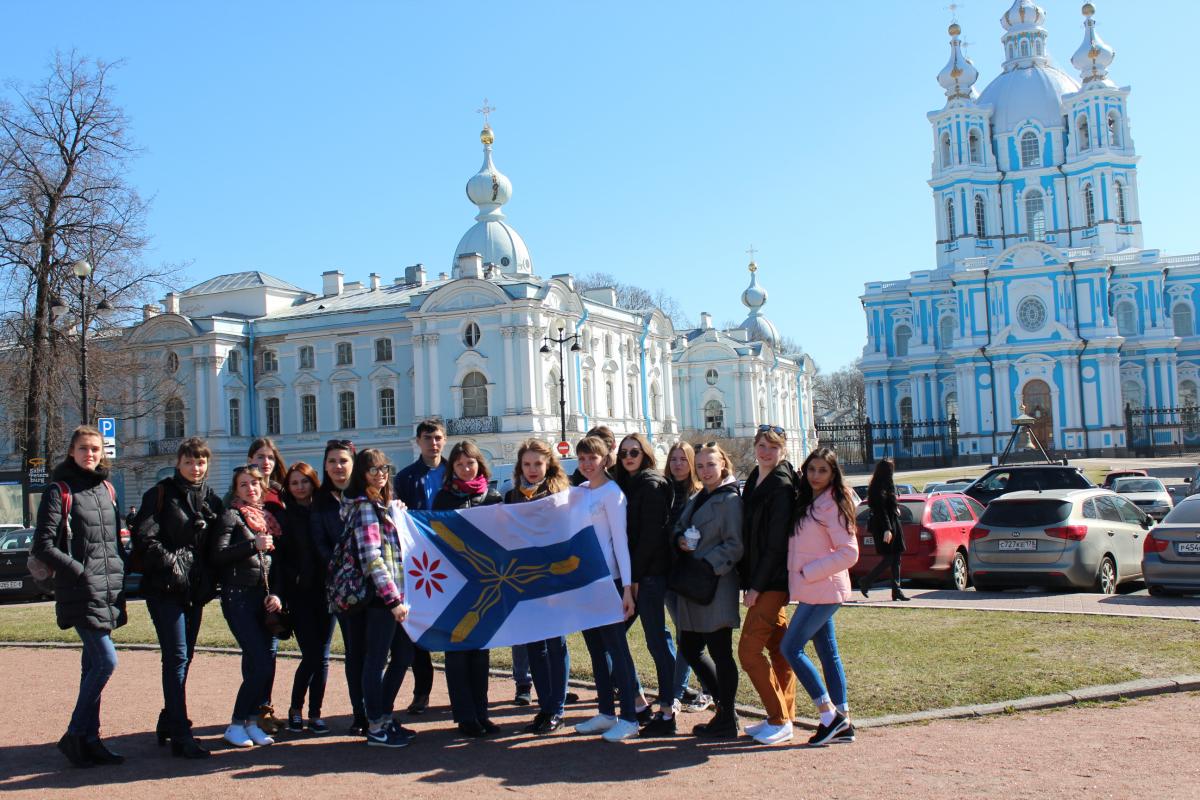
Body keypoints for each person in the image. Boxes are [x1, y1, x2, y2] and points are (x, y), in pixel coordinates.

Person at [33, 425, 128, 767]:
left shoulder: (106, 488)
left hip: (108, 591)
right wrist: (80, 571)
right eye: (84, 449)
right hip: (80, 592)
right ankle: (75, 733)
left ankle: (91, 738)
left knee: (92, 666)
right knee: (106, 662)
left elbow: (113, 542)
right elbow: (42, 545)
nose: (90, 454)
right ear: (71, 452)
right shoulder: (58, 491)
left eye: (96, 449)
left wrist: (119, 569)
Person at [134, 437, 222, 759]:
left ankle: (169, 718)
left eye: (200, 462)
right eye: (189, 461)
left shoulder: (211, 498)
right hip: (165, 589)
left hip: (195, 592)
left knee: (185, 659)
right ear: (179, 462)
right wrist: (173, 565)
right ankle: (182, 734)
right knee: (176, 657)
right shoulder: (160, 493)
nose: (195, 467)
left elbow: (218, 543)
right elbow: (145, 537)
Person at [782, 447, 860, 747]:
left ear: (833, 473)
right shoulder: (811, 500)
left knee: (791, 648)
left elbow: (849, 553)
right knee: (828, 652)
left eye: (822, 471)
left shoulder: (833, 506)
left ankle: (829, 715)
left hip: (824, 590)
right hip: (815, 589)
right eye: (811, 469)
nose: (816, 476)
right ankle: (844, 719)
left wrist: (810, 571)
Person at [672, 442, 744, 739]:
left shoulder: (729, 500)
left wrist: (707, 565)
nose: (704, 470)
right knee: (689, 647)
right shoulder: (700, 496)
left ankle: (727, 715)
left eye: (710, 465)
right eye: (699, 466)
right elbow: (680, 525)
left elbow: (735, 545)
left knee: (720, 651)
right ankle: (727, 710)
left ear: (723, 465)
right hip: (693, 584)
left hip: (715, 584)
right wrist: (679, 540)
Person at [573, 435, 642, 743]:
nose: (588, 464)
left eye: (593, 458)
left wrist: (626, 588)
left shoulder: (612, 492)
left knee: (617, 650)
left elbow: (621, 544)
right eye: (583, 459)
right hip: (585, 583)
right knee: (596, 651)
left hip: (610, 581)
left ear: (605, 459)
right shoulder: (578, 492)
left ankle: (629, 716)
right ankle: (605, 712)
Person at [343, 448, 413, 749]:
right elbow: (372, 558)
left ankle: (383, 715)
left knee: (402, 657)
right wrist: (392, 599)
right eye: (373, 470)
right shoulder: (363, 508)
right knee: (377, 660)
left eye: (384, 468)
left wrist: (397, 512)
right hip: (380, 598)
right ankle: (374, 723)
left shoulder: (383, 505)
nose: (381, 474)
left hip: (397, 595)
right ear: (361, 475)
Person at [433, 440, 503, 736]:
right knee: (458, 652)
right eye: (459, 464)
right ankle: (464, 715)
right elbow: (433, 537)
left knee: (480, 652)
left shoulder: (493, 497)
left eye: (470, 463)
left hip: (486, 584)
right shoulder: (443, 499)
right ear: (452, 468)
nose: (465, 468)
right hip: (455, 585)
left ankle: (481, 712)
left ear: (479, 464)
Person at [210, 465, 283, 748]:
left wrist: (276, 594)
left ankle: (252, 722)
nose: (250, 489)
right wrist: (253, 545)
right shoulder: (231, 515)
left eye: (254, 484)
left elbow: (275, 564)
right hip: (238, 596)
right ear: (236, 489)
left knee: (262, 664)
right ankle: (236, 723)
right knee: (261, 663)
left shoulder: (267, 518)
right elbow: (217, 555)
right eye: (243, 485)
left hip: (262, 598)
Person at [503, 439, 572, 734]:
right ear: (520, 467)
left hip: (553, 579)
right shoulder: (510, 497)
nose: (532, 470)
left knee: (556, 645)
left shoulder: (560, 495)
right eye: (527, 465)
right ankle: (544, 706)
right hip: (524, 580)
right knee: (535, 646)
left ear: (549, 465)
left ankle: (557, 708)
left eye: (538, 464)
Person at [614, 433, 680, 737]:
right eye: (624, 452)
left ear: (645, 454)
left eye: (634, 452)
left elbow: (650, 537)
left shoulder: (651, 484)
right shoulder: (627, 483)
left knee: (656, 641)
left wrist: (635, 580)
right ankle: (640, 702)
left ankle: (668, 709)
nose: (628, 456)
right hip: (637, 575)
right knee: (614, 637)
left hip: (649, 577)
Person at [737, 425, 800, 745]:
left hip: (772, 581)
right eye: (761, 445)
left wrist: (756, 587)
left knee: (748, 652)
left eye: (772, 447)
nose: (765, 451)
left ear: (783, 450)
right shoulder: (756, 478)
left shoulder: (781, 485)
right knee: (779, 649)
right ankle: (784, 716)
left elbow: (775, 544)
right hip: (762, 577)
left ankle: (778, 718)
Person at [308, 438, 368, 734]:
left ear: (354, 464)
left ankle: (378, 708)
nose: (337, 466)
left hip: (374, 584)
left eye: (343, 460)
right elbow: (320, 546)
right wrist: (347, 568)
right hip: (345, 590)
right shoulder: (320, 505)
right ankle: (360, 712)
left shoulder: (368, 495)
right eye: (332, 461)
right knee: (355, 651)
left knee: (376, 652)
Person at [276, 461, 335, 734]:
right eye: (295, 482)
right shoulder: (284, 516)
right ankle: (295, 708)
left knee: (322, 657)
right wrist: (293, 579)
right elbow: (281, 558)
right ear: (288, 486)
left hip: (327, 591)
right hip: (300, 593)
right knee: (311, 654)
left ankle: (315, 713)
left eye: (305, 481)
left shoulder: (325, 509)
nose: (300, 487)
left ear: (314, 482)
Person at [392, 418, 445, 715]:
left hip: (452, 561)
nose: (433, 443)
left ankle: (462, 693)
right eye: (427, 438)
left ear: (444, 440)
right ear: (418, 441)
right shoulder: (406, 477)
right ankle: (422, 692)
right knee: (418, 630)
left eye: (437, 437)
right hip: (419, 564)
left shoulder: (455, 471)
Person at [664, 442, 714, 714]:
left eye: (683, 459)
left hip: (692, 575)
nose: (678, 464)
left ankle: (682, 691)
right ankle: (687, 690)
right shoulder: (665, 491)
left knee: (689, 635)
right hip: (670, 574)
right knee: (685, 634)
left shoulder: (698, 494)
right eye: (674, 459)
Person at [859, 458, 909, 602]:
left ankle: (897, 590)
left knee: (896, 558)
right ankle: (866, 580)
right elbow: (880, 510)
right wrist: (887, 529)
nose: (892, 472)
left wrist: (896, 508)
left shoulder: (888, 484)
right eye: (890, 469)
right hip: (884, 525)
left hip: (893, 523)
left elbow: (889, 504)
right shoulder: (876, 487)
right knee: (889, 559)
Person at [247, 437, 288, 515]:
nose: (266, 462)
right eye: (260, 457)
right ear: (250, 461)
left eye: (270, 458)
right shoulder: (240, 492)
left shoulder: (281, 491)